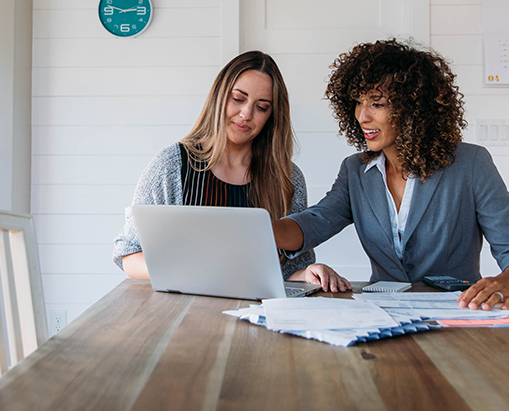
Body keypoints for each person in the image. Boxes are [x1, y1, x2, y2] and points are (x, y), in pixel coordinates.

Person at [271, 38, 509, 309]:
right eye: (358, 102)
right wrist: (261, 229)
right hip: (382, 316)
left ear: (414, 109)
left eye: (377, 104)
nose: (362, 116)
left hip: (456, 316)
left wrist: (506, 283)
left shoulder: (471, 164)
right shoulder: (356, 170)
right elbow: (315, 223)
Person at [113, 51, 349, 292]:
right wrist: (194, 274)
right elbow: (129, 254)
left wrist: (308, 273)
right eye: (238, 99)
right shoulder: (172, 165)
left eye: (262, 107)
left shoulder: (287, 177)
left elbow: (288, 269)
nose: (246, 114)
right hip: (185, 313)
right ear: (219, 97)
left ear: (272, 115)